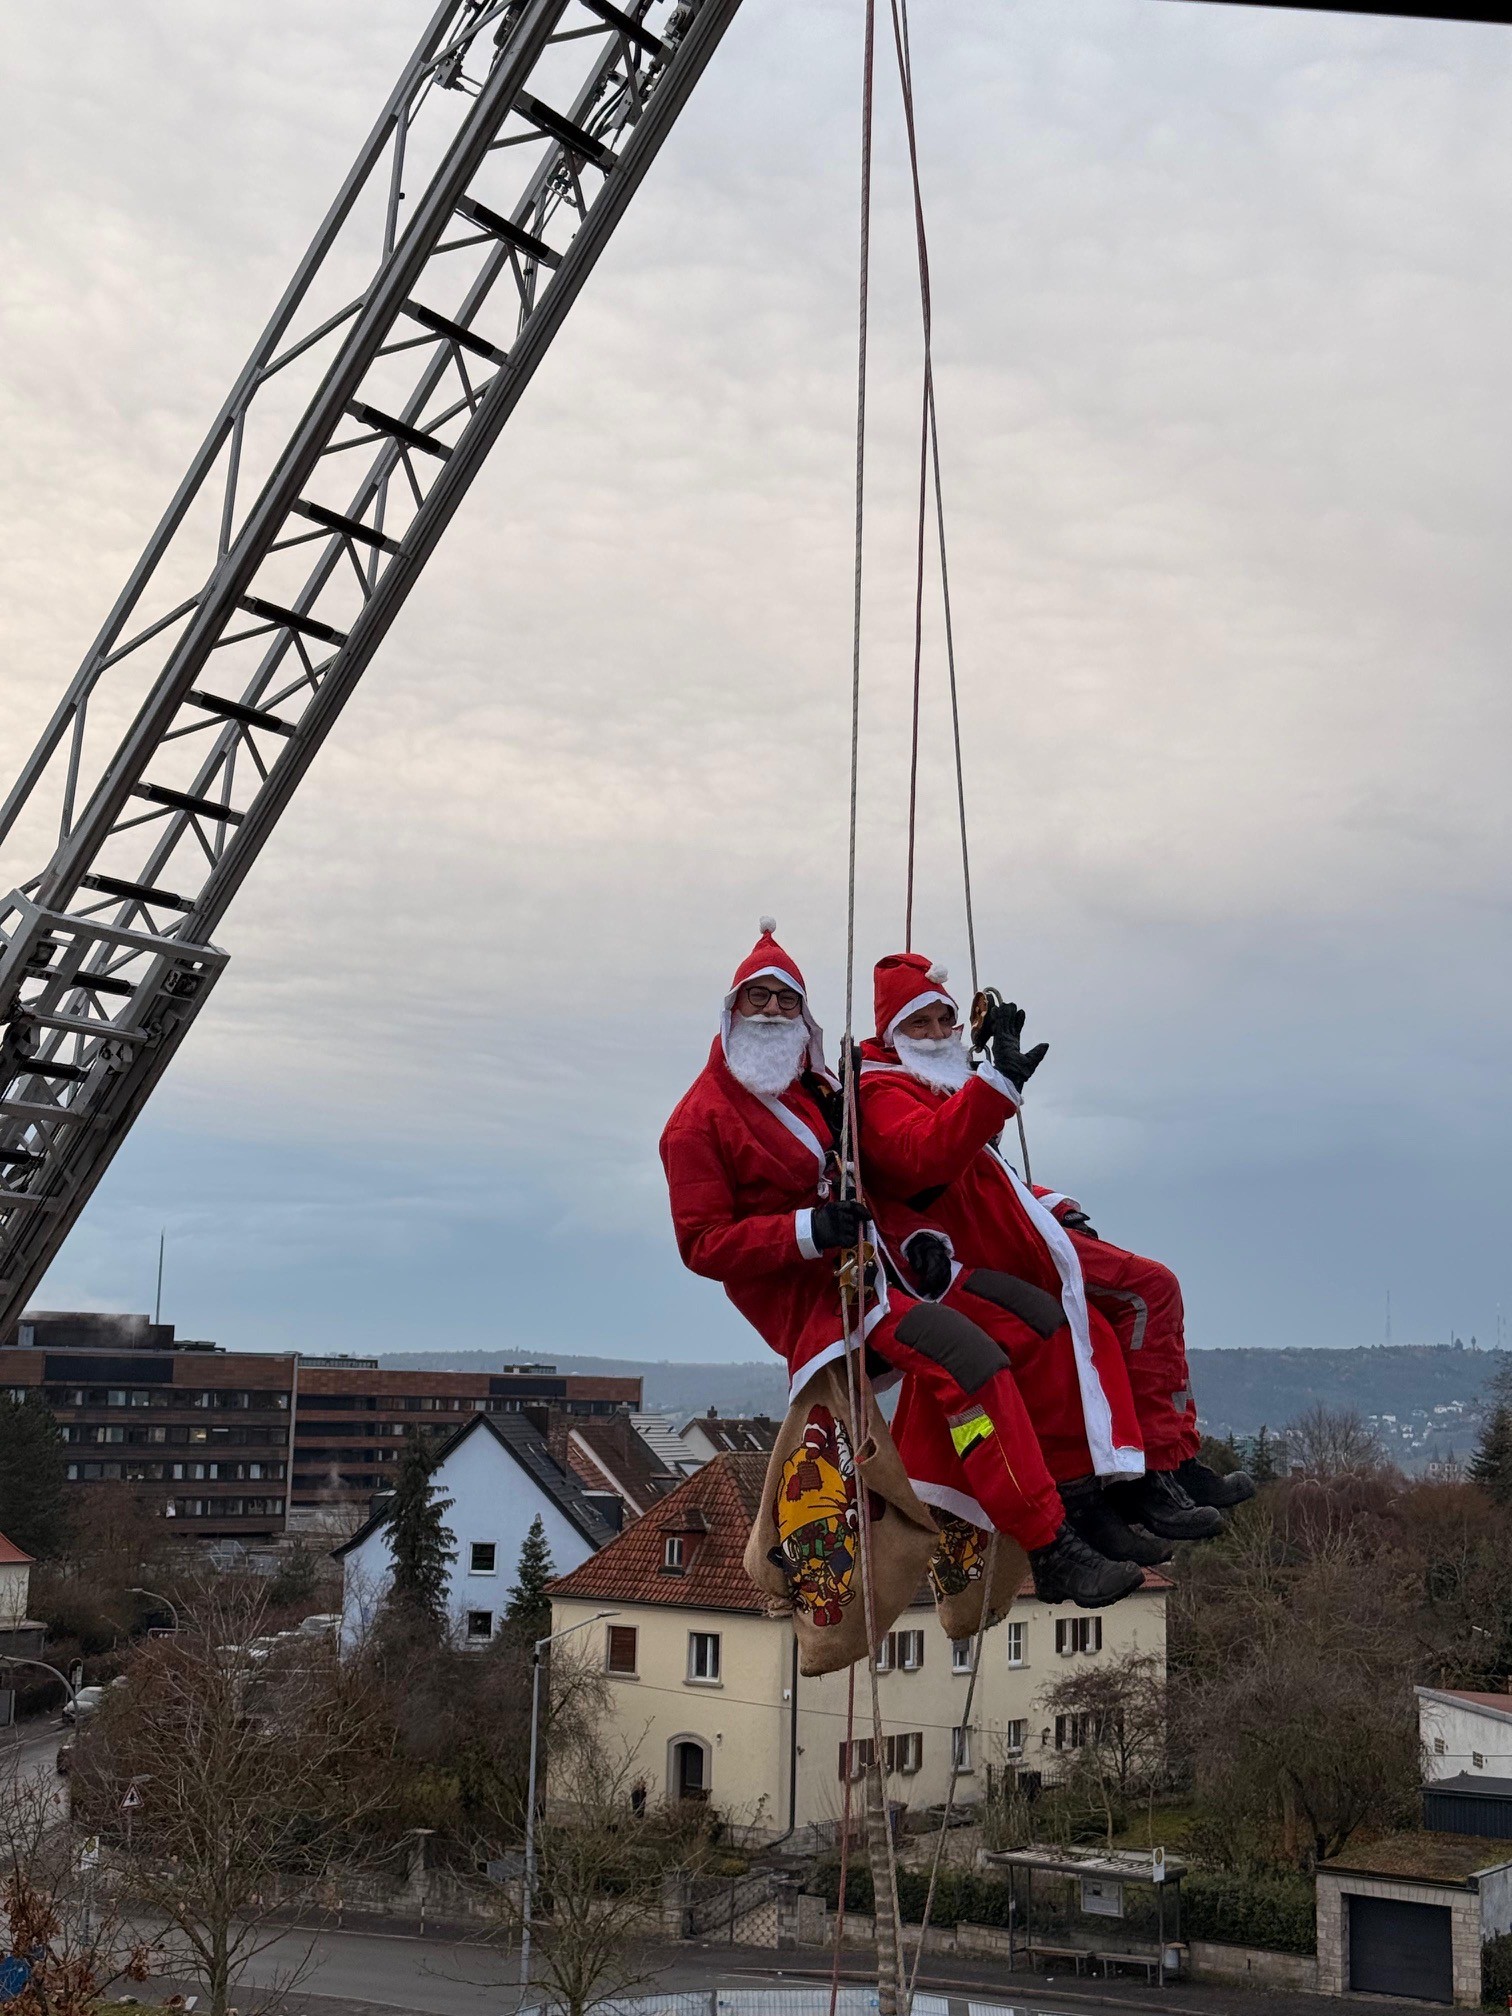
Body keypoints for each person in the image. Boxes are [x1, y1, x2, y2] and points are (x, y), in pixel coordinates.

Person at [659, 920, 1142, 1609]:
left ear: (804, 1014)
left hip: (891, 1267)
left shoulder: (817, 1086)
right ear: (730, 1011)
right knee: (967, 1363)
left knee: (1040, 1322)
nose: (771, 1012)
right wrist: (806, 1231)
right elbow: (702, 1243)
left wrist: (921, 1231)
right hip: (826, 1300)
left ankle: (1082, 1496)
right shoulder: (697, 1122)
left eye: (785, 1001)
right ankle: (1047, 1541)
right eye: (756, 999)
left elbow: (895, 1165)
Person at [857, 952, 1251, 1559]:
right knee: (1096, 1319)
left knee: (1152, 1291)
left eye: (945, 1021)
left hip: (1024, 1231)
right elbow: (926, 1158)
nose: (937, 1035)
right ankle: (1129, 1483)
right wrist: (997, 1086)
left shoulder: (938, 1084)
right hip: (983, 1253)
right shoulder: (883, 1092)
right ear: (892, 1032)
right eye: (921, 1024)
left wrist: (1056, 1204)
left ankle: (1165, 1459)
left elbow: (991, 1176)